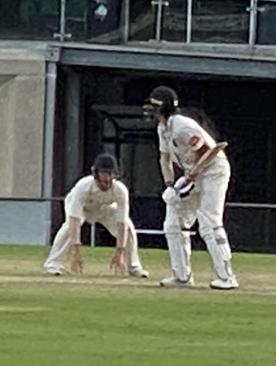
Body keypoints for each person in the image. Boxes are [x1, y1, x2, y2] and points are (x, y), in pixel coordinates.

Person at [145, 86, 238, 290]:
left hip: (214, 170)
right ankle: (181, 276)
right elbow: (164, 157)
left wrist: (193, 174)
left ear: (161, 109)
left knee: (208, 221)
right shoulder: (163, 129)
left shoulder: (182, 126)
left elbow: (211, 151)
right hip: (193, 173)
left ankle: (227, 277)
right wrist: (170, 184)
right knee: (173, 222)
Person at [43, 153, 149, 278]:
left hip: (105, 209)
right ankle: (53, 264)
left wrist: (119, 252)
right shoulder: (83, 186)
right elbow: (75, 220)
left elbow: (122, 223)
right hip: (83, 208)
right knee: (68, 228)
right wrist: (76, 250)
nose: (108, 178)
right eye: (104, 173)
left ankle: (133, 267)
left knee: (129, 229)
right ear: (96, 174)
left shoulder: (120, 190)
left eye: (111, 174)